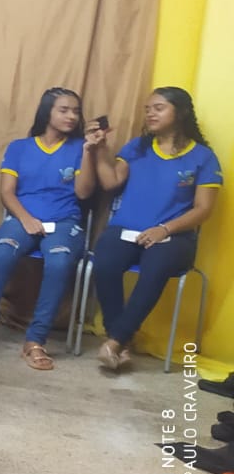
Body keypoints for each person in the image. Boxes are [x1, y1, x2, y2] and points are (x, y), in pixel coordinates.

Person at [86, 86, 221, 371]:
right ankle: (120, 340)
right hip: (126, 229)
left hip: (174, 237)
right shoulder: (137, 148)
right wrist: (100, 149)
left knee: (156, 266)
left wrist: (164, 229)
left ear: (180, 113)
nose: (150, 114)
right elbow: (110, 182)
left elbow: (203, 209)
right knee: (105, 261)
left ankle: (116, 340)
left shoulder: (203, 157)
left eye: (159, 108)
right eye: (148, 109)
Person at [0, 88, 89, 368]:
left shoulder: (80, 148)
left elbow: (83, 192)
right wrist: (26, 219)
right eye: (64, 110)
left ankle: (35, 341)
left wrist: (90, 152)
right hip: (23, 218)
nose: (71, 116)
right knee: (0, 254)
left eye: (76, 111)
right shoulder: (20, 147)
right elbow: (7, 193)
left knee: (59, 263)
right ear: (47, 113)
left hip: (64, 222)